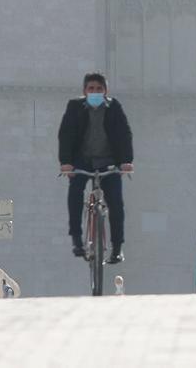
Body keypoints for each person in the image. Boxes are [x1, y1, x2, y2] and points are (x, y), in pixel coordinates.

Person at [58, 72, 134, 264]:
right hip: (82, 160)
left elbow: (124, 134)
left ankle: (117, 248)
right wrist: (66, 162)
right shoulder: (74, 107)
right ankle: (77, 239)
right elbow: (65, 134)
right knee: (75, 193)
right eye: (91, 89)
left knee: (116, 202)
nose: (95, 92)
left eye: (99, 89)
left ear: (105, 91)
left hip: (108, 161)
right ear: (84, 91)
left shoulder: (114, 107)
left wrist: (126, 161)